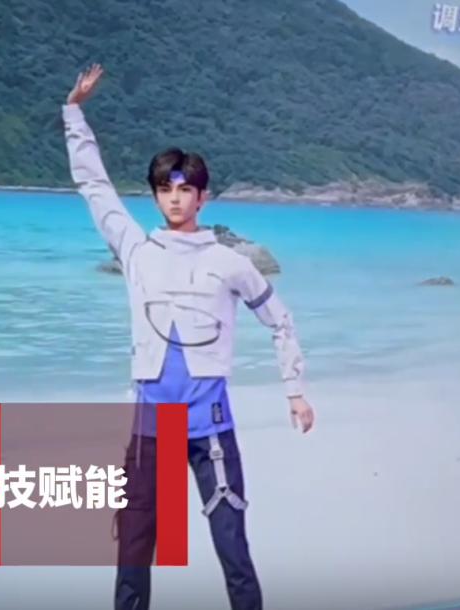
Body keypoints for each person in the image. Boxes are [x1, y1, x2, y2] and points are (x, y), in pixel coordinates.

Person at [62, 63, 315, 610]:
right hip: (149, 428)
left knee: (232, 548)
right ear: (156, 196)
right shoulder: (136, 250)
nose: (174, 199)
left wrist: (294, 390)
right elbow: (95, 188)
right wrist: (74, 114)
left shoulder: (230, 263)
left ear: (203, 197)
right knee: (133, 551)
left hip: (211, 427)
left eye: (185, 190)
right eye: (165, 190)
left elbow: (280, 320)